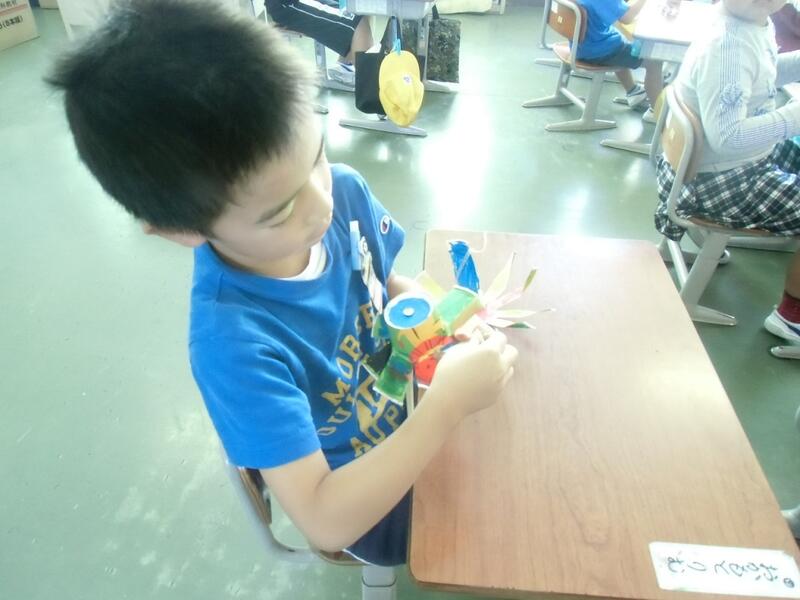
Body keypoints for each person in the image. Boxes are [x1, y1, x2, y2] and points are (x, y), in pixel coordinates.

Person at [46, 0, 518, 566]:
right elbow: (323, 519)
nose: (322, 207)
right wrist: (444, 407)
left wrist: (436, 326)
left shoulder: (343, 192)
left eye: (317, 156)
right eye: (279, 212)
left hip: (418, 407)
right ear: (179, 230)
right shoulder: (234, 344)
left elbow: (387, 283)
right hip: (369, 505)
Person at [653, 0, 800, 346]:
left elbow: (763, 74)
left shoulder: (751, 22)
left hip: (707, 166)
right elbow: (730, 137)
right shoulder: (728, 45)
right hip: (717, 181)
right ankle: (791, 317)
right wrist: (794, 116)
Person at [575, 0, 664, 122]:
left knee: (620, 40)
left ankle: (634, 92)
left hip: (580, 46)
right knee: (654, 60)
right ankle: (656, 112)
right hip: (598, 50)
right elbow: (627, 17)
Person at [264, 0, 373, 85]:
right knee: (357, 21)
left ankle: (346, 67)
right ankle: (371, 90)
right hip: (287, 5)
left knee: (360, 5)